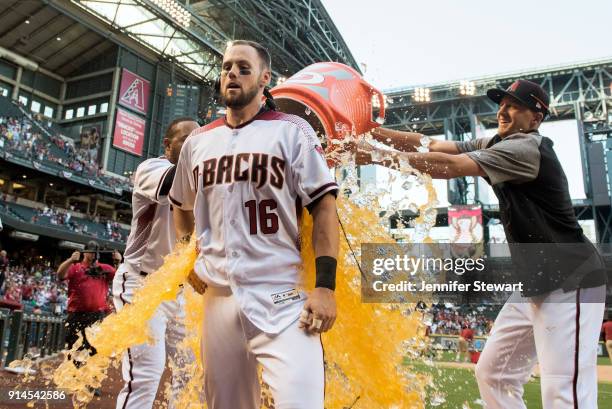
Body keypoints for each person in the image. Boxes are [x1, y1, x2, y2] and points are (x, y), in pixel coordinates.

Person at [361, 80, 608, 408]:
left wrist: (378, 156)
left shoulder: (526, 148)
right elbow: (430, 144)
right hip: (537, 281)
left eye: (514, 105)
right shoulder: (497, 141)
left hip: (571, 279)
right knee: (494, 374)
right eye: (502, 103)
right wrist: (370, 130)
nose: (503, 110)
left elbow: (449, 167)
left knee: (564, 392)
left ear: (535, 117)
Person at [170, 40, 339, 409]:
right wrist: (187, 253)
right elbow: (179, 205)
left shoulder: (293, 130)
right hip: (218, 299)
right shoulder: (197, 142)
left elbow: (324, 207)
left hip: (281, 295)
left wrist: (325, 287)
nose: (232, 73)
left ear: (265, 79)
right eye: (227, 66)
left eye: (243, 68)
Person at [112, 117, 199, 409]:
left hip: (178, 290)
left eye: (197, 141)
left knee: (191, 372)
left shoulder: (203, 182)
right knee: (147, 373)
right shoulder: (152, 168)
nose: (192, 147)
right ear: (168, 145)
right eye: (186, 140)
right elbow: (173, 185)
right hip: (141, 284)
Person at [57, 240, 121, 358]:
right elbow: (60, 275)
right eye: (91, 251)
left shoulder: (104, 268)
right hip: (77, 315)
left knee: (95, 352)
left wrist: (118, 262)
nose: (93, 254)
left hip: (97, 316)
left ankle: (90, 375)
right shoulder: (76, 267)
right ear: (85, 253)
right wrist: (71, 260)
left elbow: (120, 279)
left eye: (96, 252)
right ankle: (73, 374)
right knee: (73, 350)